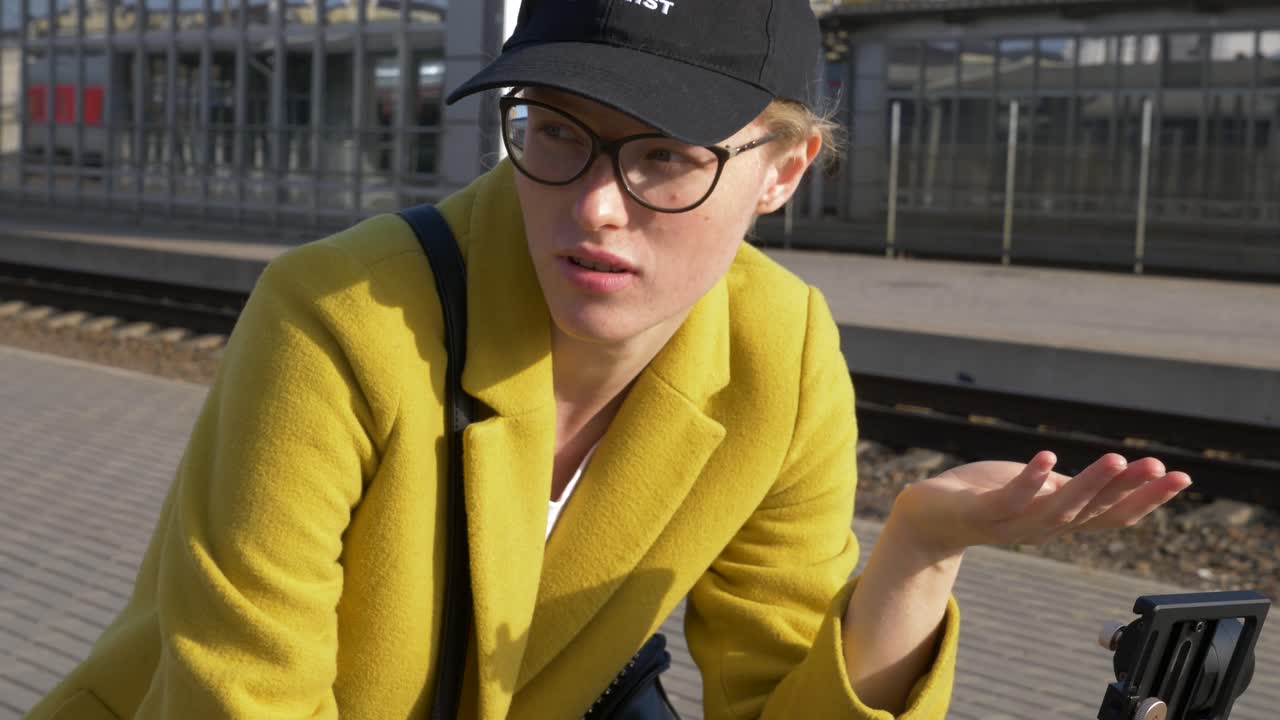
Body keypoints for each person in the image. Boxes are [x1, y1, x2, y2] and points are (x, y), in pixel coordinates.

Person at [25, 1, 1193, 718]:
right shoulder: (337, 314)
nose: (593, 207)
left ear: (781, 171)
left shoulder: (777, 353)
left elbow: (773, 704)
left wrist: (917, 557)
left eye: (665, 157)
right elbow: (245, 692)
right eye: (555, 130)